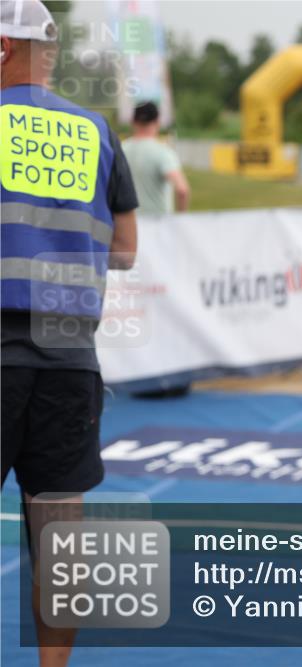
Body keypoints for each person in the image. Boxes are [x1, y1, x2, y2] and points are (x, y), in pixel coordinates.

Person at [1, 2, 139, 665]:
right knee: (60, 536)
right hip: (68, 355)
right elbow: (127, 248)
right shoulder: (96, 130)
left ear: (3, 48)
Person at [122, 101, 190, 214]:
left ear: (133, 121)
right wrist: (181, 219)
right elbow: (182, 190)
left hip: (128, 224)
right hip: (158, 225)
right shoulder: (162, 152)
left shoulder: (120, 150)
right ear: (157, 121)